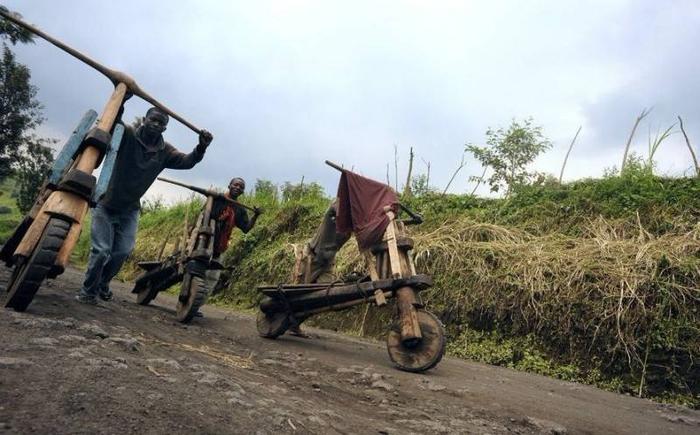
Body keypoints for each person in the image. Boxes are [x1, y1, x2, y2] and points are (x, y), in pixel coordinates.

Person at [76, 107, 213, 304]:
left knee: (122, 251)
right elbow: (115, 123)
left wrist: (201, 148)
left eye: (161, 123)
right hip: (106, 202)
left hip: (130, 209)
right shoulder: (128, 135)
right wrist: (121, 104)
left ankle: (103, 283)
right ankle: (88, 291)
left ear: (164, 129)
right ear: (144, 119)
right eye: (153, 120)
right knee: (101, 251)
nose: (156, 125)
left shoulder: (165, 151)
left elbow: (187, 161)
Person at [203, 177, 261, 296]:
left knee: (212, 278)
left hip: (220, 247)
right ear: (229, 186)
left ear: (242, 192)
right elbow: (203, 216)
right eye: (235, 185)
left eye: (241, 187)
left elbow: (246, 228)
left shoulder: (239, 209)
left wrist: (256, 215)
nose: (238, 188)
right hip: (204, 241)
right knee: (198, 271)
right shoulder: (216, 199)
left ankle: (196, 304)